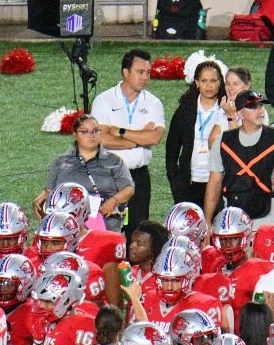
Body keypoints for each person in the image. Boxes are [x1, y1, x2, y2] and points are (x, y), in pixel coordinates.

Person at [92, 49, 166, 223]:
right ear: (125, 72)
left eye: (148, 72)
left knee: (138, 232)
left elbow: (154, 138)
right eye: (140, 72)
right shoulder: (104, 100)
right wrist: (139, 141)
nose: (145, 77)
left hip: (139, 177)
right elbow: (103, 139)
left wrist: (121, 132)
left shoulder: (153, 103)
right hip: (109, 176)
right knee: (109, 230)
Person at [41, 113, 134, 230]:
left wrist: (113, 201)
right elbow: (49, 191)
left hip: (105, 224)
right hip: (68, 226)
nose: (92, 136)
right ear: (75, 134)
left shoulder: (114, 161)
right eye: (85, 132)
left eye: (96, 131)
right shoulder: (61, 161)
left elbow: (129, 188)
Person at [205, 89, 274, 223]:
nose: (260, 110)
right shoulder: (222, 140)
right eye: (253, 107)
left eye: (261, 106)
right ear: (240, 114)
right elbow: (214, 184)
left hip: (268, 218)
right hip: (234, 219)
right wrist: (208, 222)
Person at [164, 59, 227, 206]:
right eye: (204, 80)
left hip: (218, 182)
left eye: (213, 80)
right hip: (189, 184)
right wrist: (175, 181)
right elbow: (172, 148)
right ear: (197, 83)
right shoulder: (185, 111)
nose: (209, 85)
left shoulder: (226, 110)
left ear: (220, 82)